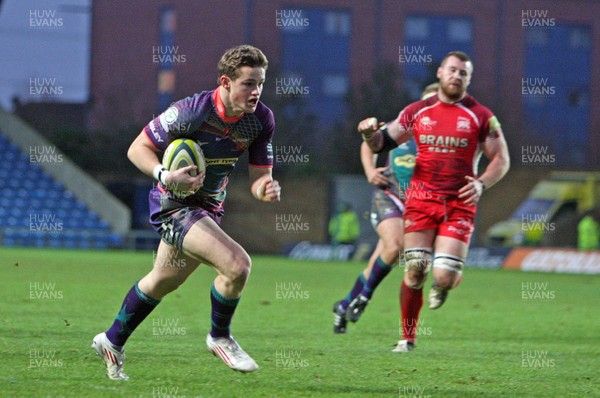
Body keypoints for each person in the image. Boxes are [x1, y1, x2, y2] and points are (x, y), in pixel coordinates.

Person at [91, 45, 281, 379]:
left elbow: (259, 177)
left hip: (208, 207)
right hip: (174, 205)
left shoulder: (260, 120)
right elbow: (138, 148)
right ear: (225, 81)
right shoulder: (191, 112)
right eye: (248, 84)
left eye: (260, 84)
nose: (256, 92)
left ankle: (111, 340)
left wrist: (265, 188)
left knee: (163, 281)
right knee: (237, 266)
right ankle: (219, 336)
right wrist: (166, 176)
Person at [358, 51, 510, 352]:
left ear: (468, 79)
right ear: (440, 73)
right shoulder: (417, 111)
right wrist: (368, 134)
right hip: (420, 201)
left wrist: (481, 185)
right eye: (452, 70)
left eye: (463, 73)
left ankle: (444, 284)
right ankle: (407, 338)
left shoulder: (481, 116)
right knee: (415, 269)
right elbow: (381, 143)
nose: (457, 76)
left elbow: (501, 160)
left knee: (443, 275)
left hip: (458, 204)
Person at [333, 84, 439, 334]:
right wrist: (370, 171)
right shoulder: (402, 126)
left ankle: (344, 307)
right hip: (390, 197)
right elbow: (369, 143)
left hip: (421, 207)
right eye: (427, 104)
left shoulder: (444, 138)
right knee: (395, 245)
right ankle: (364, 298)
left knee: (377, 264)